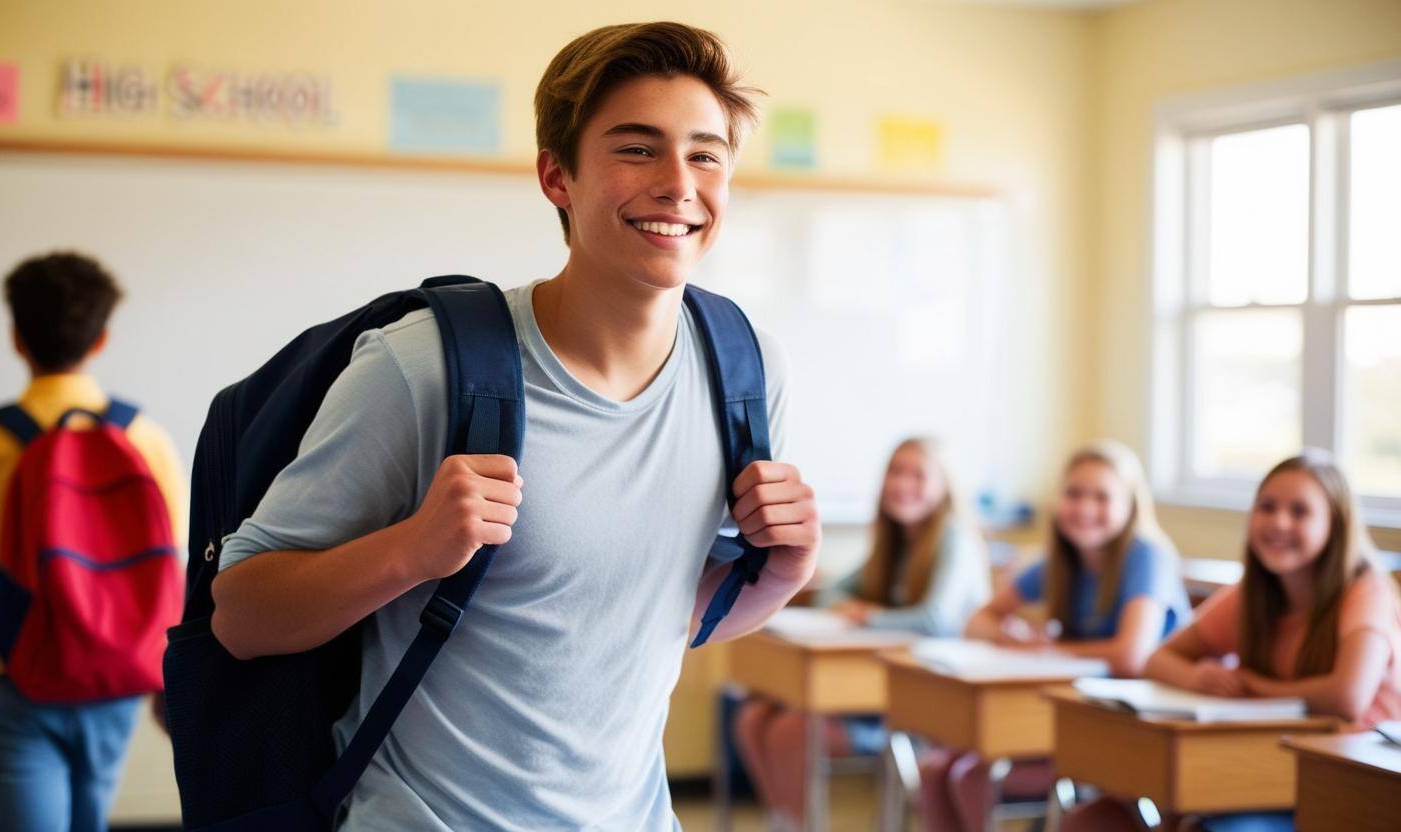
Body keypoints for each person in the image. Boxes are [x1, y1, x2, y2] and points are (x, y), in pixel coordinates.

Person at [207, 21, 821, 830]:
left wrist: (782, 573)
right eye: (636, 149)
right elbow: (242, 617)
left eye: (706, 154)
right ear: (556, 176)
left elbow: (635, 629)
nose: (679, 184)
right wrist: (410, 551)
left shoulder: (746, 371)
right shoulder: (425, 367)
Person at [0, 251, 187, 831]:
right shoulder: (148, 441)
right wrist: (168, 685)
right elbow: (168, 578)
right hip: (117, 677)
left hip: (11, 677)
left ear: (17, 339)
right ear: (101, 341)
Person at [1063, 451, 1401, 832]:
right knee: (1093, 821)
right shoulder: (1253, 594)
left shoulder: (1366, 590)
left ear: (1335, 525)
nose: (1279, 522)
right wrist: (1198, 678)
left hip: (1346, 788)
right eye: (1267, 507)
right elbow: (1157, 660)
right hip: (1264, 769)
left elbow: (1346, 697)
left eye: (1300, 511)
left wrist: (1256, 686)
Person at [920, 439, 1190, 832]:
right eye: (1074, 494)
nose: (1084, 508)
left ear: (1130, 505)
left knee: (970, 775)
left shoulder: (1147, 556)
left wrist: (1052, 648)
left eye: (1102, 497)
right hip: (1077, 723)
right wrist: (1021, 641)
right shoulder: (1060, 562)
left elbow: (1131, 654)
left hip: (1140, 737)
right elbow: (977, 622)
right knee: (939, 766)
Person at [733, 437, 989, 829]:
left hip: (932, 707)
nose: (903, 483)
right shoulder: (896, 542)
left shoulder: (955, 539)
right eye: (895, 472)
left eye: (917, 474)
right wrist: (853, 606)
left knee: (793, 731)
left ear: (944, 488)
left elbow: (936, 620)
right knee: (754, 718)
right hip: (883, 695)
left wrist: (868, 616)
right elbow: (832, 595)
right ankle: (784, 823)